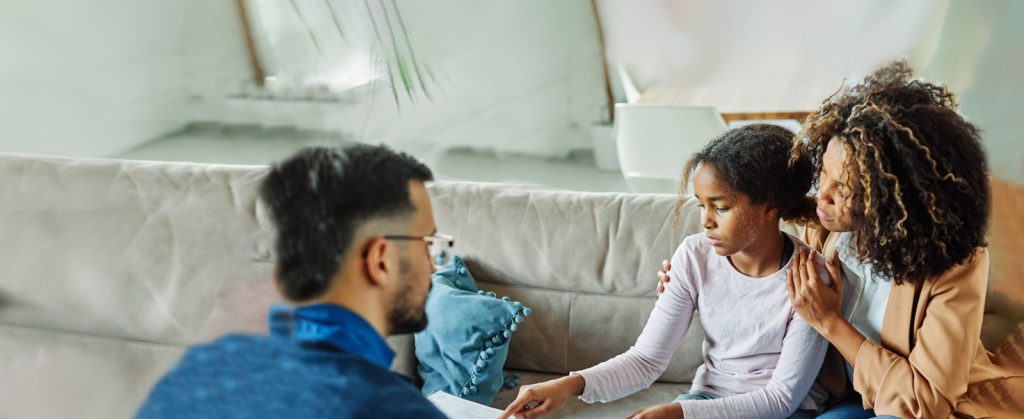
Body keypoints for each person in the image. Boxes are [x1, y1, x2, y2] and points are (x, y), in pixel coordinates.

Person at [662, 62, 1024, 418]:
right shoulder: (823, 226)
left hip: (907, 409)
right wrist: (694, 277)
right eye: (824, 176)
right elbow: (751, 227)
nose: (823, 197)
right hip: (840, 398)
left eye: (845, 188)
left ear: (893, 198)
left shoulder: (957, 265)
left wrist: (829, 321)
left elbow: (922, 403)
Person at [501, 124, 832, 419]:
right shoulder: (694, 255)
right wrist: (567, 385)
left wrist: (679, 412)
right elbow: (646, 360)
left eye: (721, 207)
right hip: (707, 399)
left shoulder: (810, 278)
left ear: (769, 208)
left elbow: (780, 399)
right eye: (702, 205)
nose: (706, 221)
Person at [136, 145, 450, 418]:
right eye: (429, 244)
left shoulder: (196, 377)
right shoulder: (388, 407)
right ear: (382, 259)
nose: (435, 267)